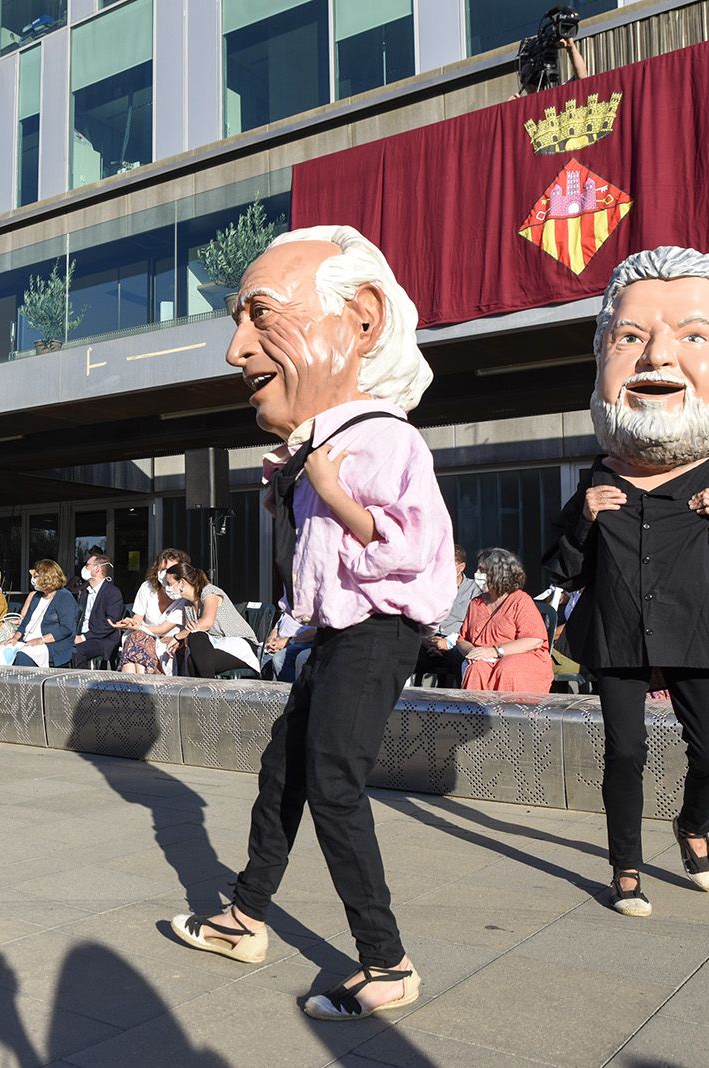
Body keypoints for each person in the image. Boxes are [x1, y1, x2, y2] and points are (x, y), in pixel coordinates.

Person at [169, 225, 454, 1022]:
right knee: (284, 771)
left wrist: (328, 492)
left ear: (360, 321)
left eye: (261, 317)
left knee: (332, 781)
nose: (237, 351)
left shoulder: (386, 439)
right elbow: (322, 569)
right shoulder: (319, 448)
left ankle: (386, 962)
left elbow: (419, 553)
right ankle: (244, 917)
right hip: (335, 637)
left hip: (378, 636)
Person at [543, 247, 709, 918]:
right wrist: (584, 522)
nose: (655, 359)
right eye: (630, 338)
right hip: (617, 631)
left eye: (693, 335)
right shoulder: (598, 480)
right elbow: (558, 569)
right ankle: (624, 869)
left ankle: (693, 827)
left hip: (699, 630)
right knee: (624, 752)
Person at [455, 548, 553, 692]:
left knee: (507, 668)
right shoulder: (476, 603)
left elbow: (534, 639)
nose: (476, 574)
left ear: (498, 573)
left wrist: (495, 651)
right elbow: (462, 639)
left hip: (519, 658)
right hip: (485, 660)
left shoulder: (520, 600)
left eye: (482, 570)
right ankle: (475, 713)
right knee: (476, 669)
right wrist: (472, 652)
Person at [166, 562, 261, 677]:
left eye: (169, 583)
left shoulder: (209, 592)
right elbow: (192, 633)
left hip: (239, 644)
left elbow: (206, 623)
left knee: (196, 642)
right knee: (193, 655)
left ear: (182, 582)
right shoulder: (188, 605)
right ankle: (206, 690)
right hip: (215, 645)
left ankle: (207, 690)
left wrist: (177, 637)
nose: (167, 588)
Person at [113, 549, 191, 674]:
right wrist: (130, 623)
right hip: (142, 638)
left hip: (169, 640)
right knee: (137, 637)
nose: (165, 574)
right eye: (162, 570)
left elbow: (162, 630)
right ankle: (139, 684)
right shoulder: (147, 587)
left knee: (138, 637)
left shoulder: (183, 596)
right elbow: (137, 618)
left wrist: (139, 628)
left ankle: (130, 687)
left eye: (170, 570)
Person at [414, 544, 479, 686]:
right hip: (428, 639)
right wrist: (426, 640)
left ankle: (462, 702)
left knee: (463, 658)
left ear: (461, 567)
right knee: (406, 651)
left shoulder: (474, 591)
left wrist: (448, 643)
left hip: (456, 641)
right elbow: (418, 616)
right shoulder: (429, 586)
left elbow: (474, 626)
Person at [0, 559, 77, 667]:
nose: (33, 579)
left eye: (36, 576)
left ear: (47, 577)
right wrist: (14, 638)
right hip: (28, 641)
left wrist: (41, 640)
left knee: (22, 656)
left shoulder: (64, 597)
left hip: (52, 645)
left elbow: (66, 628)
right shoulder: (37, 596)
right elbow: (26, 621)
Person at [70, 552, 125, 667]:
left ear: (97, 569)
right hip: (80, 635)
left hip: (103, 639)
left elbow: (111, 623)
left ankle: (80, 683)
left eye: (88, 565)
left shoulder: (112, 593)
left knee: (76, 651)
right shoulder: (84, 592)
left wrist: (84, 637)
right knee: (58, 649)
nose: (84, 568)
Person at [261, 608, 315, 683]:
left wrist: (288, 641)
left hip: (301, 642)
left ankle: (291, 690)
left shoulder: (310, 605)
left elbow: (314, 632)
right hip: (281, 642)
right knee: (260, 650)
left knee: (279, 658)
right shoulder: (288, 607)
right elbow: (276, 628)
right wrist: (271, 639)